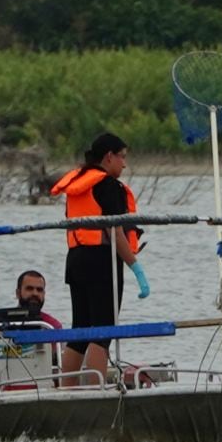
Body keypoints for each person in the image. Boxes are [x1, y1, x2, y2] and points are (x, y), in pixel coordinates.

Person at [47, 136, 141, 382]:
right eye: (122, 157)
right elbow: (116, 231)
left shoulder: (79, 184)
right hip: (101, 261)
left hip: (76, 259)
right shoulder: (108, 185)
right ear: (109, 156)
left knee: (81, 327)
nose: (124, 164)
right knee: (102, 331)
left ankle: (67, 388)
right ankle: (94, 389)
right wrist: (136, 267)